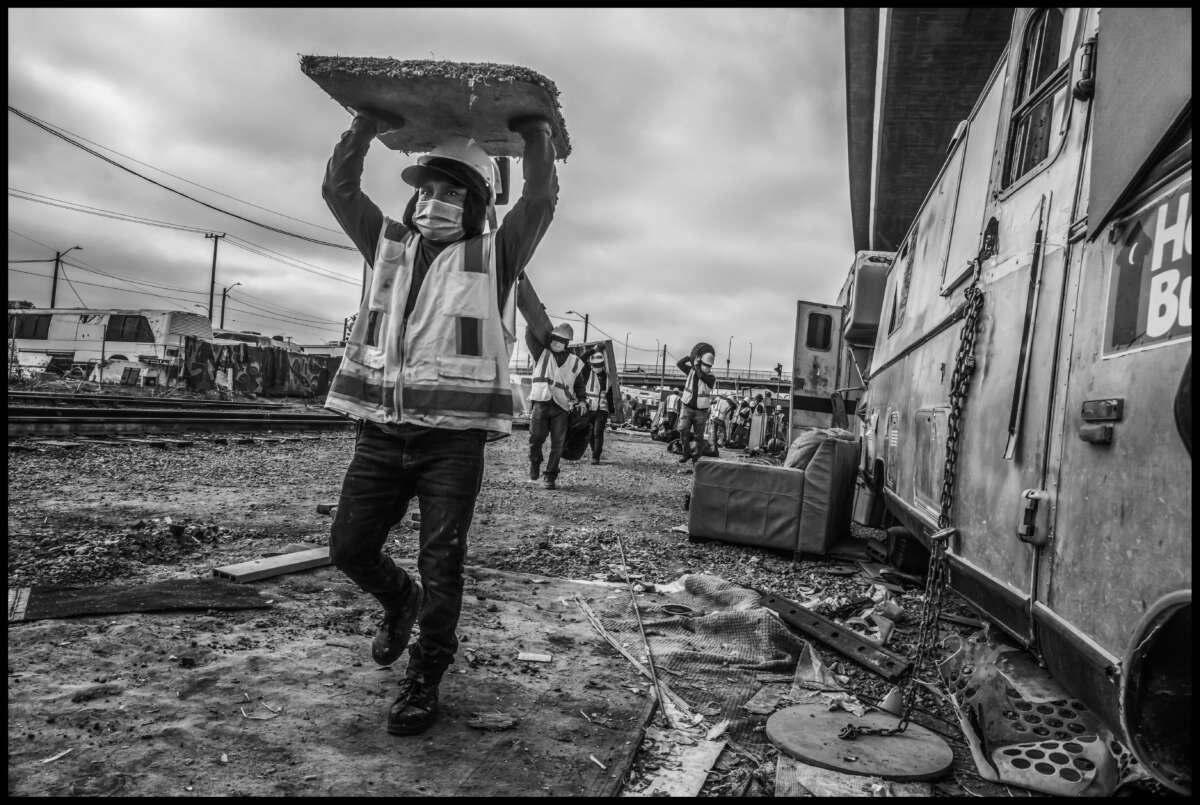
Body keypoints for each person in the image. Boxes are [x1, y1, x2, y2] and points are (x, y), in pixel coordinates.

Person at [321, 107, 558, 737]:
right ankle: (400, 600)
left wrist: (535, 132)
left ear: (476, 203)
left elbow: (539, 198)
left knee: (443, 561)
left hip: (451, 442)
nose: (434, 202)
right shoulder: (386, 245)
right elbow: (338, 191)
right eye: (426, 191)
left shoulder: (496, 254)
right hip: (381, 430)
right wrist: (362, 131)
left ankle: (426, 676)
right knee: (347, 547)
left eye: (451, 192)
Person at [527, 322, 586, 489]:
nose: (556, 342)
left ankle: (550, 477)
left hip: (561, 407)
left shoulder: (574, 361)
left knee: (558, 444)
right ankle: (535, 462)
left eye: (560, 340)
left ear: (566, 344)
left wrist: (582, 400)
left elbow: (579, 383)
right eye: (554, 339)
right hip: (542, 402)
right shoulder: (542, 354)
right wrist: (533, 319)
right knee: (535, 438)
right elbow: (530, 338)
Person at [675, 342, 716, 464]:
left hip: (701, 411)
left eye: (709, 366)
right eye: (705, 364)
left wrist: (697, 364)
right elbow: (679, 364)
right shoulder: (692, 371)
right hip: (687, 406)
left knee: (699, 436)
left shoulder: (711, 378)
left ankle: (696, 457)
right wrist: (691, 357)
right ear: (701, 362)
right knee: (683, 429)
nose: (708, 367)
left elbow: (700, 375)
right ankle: (685, 452)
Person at [581, 349, 616, 464]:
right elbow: (580, 360)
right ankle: (594, 451)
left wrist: (612, 412)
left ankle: (596, 457)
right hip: (589, 409)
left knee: (598, 432)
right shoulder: (587, 373)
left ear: (603, 365)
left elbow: (610, 396)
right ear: (591, 365)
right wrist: (593, 350)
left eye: (599, 365)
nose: (597, 367)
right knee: (591, 432)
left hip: (602, 410)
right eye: (595, 365)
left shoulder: (609, 378)